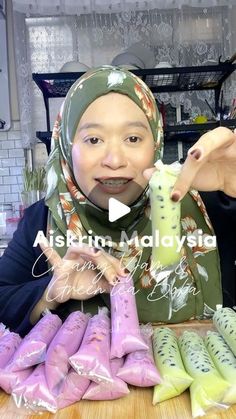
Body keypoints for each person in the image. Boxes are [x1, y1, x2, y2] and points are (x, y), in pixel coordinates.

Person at [0, 66, 235, 336]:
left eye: (133, 138)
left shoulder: (211, 207)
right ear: (66, 145)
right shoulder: (42, 220)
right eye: (94, 139)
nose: (114, 160)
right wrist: (49, 294)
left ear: (155, 143)